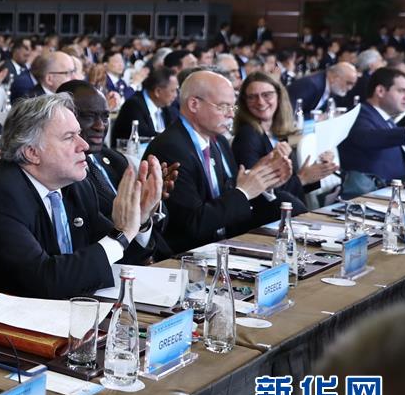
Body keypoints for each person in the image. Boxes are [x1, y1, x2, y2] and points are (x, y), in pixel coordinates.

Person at [0, 93, 158, 299]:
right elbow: (44, 281)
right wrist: (121, 235)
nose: (84, 145)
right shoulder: (0, 197)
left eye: (79, 134)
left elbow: (114, 255)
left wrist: (138, 222)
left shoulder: (76, 186)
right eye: (69, 137)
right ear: (32, 152)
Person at [145, 70, 291, 256]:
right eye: (223, 107)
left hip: (224, 246)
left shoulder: (218, 141)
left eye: (232, 107)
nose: (231, 114)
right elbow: (193, 224)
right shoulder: (171, 148)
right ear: (194, 104)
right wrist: (244, 192)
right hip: (186, 256)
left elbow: (229, 198)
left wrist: (263, 183)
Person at [59, 80, 175, 264]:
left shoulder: (114, 158)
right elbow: (100, 232)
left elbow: (162, 226)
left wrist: (151, 203)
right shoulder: (64, 175)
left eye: (105, 117)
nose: (100, 126)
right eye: (89, 116)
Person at [231, 72, 337, 209]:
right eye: (252, 97)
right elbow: (257, 195)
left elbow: (290, 186)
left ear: (279, 96)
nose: (260, 102)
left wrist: (316, 171)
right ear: (244, 102)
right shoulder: (247, 136)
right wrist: (302, 178)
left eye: (267, 95)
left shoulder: (277, 133)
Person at [340, 67, 405, 197]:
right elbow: (367, 138)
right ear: (380, 91)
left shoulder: (384, 118)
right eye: (402, 91)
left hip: (397, 190)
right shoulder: (359, 114)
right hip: (374, 194)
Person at [111, 67, 179, 141]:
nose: (175, 95)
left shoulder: (167, 109)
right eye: (172, 91)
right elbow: (143, 136)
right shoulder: (133, 106)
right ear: (157, 92)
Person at [287, 62, 357, 118]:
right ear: (334, 78)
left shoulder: (334, 87)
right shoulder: (311, 85)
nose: (350, 88)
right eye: (349, 83)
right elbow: (291, 113)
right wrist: (316, 117)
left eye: (353, 85)